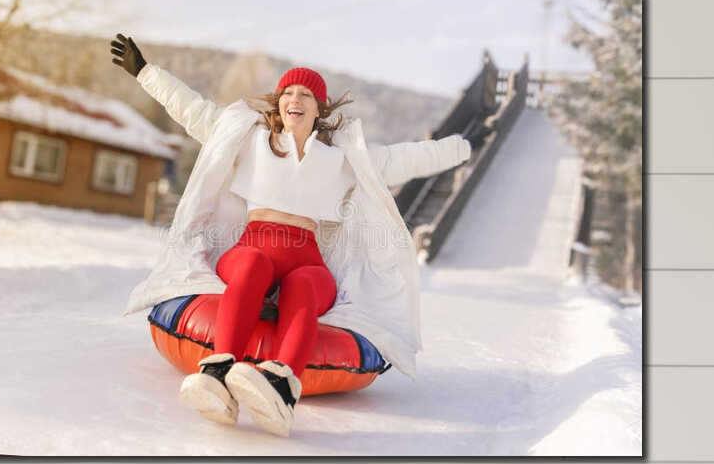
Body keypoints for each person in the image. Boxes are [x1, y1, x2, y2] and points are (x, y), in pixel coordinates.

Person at [111, 32, 474, 437]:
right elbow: (194, 112)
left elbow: (401, 158)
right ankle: (218, 372)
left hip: (308, 257)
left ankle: (282, 390)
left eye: (305, 94)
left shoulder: (339, 157)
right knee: (251, 264)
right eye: (288, 92)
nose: (295, 100)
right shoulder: (251, 140)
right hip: (252, 247)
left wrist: (459, 149)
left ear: (319, 108)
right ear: (279, 102)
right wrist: (146, 72)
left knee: (308, 284)